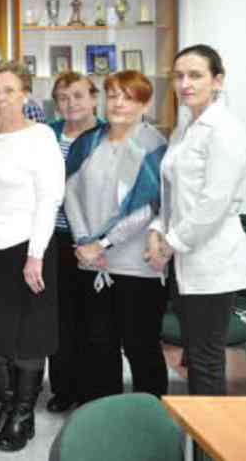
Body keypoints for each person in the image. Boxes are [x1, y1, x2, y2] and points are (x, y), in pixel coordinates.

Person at [0, 61, 64, 453]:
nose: (2, 98)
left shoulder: (40, 137)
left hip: (25, 247)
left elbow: (49, 198)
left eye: (9, 89)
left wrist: (35, 255)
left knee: (27, 336)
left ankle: (24, 414)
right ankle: (7, 407)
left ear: (25, 93)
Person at [147, 45, 246, 405]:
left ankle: (210, 447)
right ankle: (197, 434)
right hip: (183, 257)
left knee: (205, 360)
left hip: (213, 260)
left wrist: (170, 242)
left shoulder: (226, 130)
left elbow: (214, 204)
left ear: (217, 80)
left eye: (195, 75)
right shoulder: (185, 127)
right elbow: (171, 194)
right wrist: (158, 229)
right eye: (179, 76)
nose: (185, 83)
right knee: (195, 355)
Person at [63, 70, 168, 405]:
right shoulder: (88, 142)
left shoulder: (154, 145)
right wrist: (83, 242)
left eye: (129, 96)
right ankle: (101, 415)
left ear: (145, 104)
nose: (119, 103)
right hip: (92, 264)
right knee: (98, 345)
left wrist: (102, 243)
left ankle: (151, 418)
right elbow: (69, 193)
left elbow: (149, 207)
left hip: (137, 265)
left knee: (141, 346)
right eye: (113, 95)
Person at [45, 71, 105, 412]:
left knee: (95, 320)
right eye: (64, 98)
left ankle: (92, 391)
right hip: (54, 238)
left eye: (78, 96)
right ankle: (63, 388)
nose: (71, 104)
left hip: (97, 242)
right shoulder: (48, 134)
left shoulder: (107, 135)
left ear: (93, 99)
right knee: (61, 318)